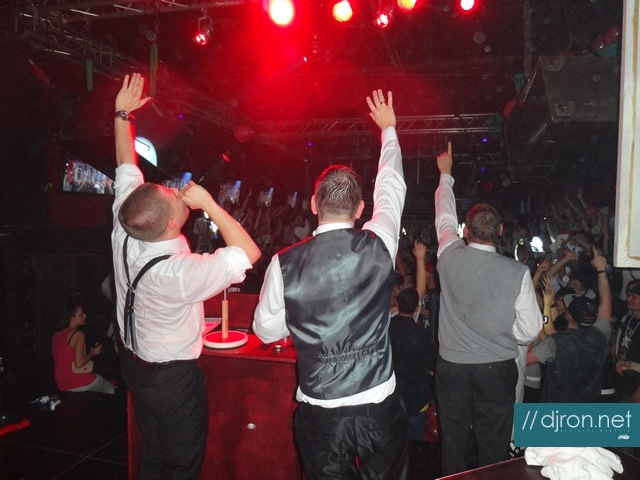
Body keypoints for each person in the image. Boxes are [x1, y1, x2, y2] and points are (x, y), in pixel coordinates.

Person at [253, 89, 408, 480]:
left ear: (312, 204)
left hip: (321, 413)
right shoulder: (381, 244)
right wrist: (389, 130)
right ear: (361, 210)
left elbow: (266, 330)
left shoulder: (283, 263)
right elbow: (391, 188)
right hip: (379, 408)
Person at [112, 73, 261, 479]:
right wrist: (209, 204)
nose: (177, 193)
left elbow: (126, 164)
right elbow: (249, 253)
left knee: (153, 450)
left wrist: (122, 114)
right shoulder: (178, 273)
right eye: (174, 198)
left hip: (134, 365)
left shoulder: (126, 225)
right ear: (171, 225)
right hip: (171, 379)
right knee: (181, 463)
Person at [433, 142, 541, 475]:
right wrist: (502, 331)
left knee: (453, 441)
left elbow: (443, 216)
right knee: (493, 444)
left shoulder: (448, 254)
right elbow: (530, 330)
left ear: (465, 232)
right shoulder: (517, 272)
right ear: (500, 232)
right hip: (496, 370)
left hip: (452, 368)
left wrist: (446, 174)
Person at [527, 248, 612, 403]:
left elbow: (526, 359)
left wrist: (547, 304)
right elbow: (606, 301)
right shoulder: (600, 334)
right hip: (589, 406)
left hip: (556, 408)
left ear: (569, 315)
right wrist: (601, 269)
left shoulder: (557, 342)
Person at [389, 287, 436, 442]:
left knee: (394, 440)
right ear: (416, 308)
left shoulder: (385, 329)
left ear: (397, 303)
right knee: (414, 442)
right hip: (416, 396)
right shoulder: (422, 334)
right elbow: (430, 366)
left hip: (392, 394)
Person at [51, 304, 115, 394]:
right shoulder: (79, 335)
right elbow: (79, 363)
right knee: (110, 388)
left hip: (61, 383)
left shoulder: (57, 335)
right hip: (77, 381)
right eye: (81, 314)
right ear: (72, 318)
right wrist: (93, 353)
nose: (85, 315)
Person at [614, 279, 640, 402]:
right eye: (629, 295)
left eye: (633, 297)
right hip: (622, 381)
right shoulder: (628, 318)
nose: (628, 299)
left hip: (635, 386)